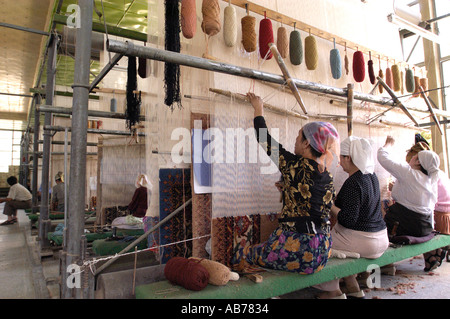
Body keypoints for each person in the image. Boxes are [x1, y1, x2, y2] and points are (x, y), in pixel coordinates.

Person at [231, 93, 340, 275]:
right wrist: (287, 188)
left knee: (241, 253)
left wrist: (258, 108)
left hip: (299, 249)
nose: (295, 141)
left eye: (299, 137)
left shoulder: (293, 164)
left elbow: (265, 140)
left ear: (306, 144)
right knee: (265, 249)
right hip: (322, 251)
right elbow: (312, 200)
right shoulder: (326, 173)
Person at [316, 136, 389, 299]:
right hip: (381, 238)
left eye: (341, 158)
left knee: (321, 245)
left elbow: (348, 219)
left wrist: (327, 204)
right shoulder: (371, 177)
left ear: (348, 158)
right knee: (341, 242)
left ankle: (332, 291)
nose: (339, 162)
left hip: (364, 241)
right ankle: (352, 285)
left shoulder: (354, 182)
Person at [377, 136, 440, 238]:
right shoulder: (430, 180)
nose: (411, 158)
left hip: (407, 225)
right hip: (425, 227)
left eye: (415, 156)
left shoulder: (409, 172)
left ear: (418, 162)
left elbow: (382, 157)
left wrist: (388, 144)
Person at [404, 142, 449, 271]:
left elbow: (423, 200)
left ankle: (431, 256)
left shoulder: (429, 176)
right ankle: (434, 254)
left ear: (419, 163)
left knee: (419, 220)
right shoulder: (438, 172)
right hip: (446, 213)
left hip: (439, 215)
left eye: (411, 163)